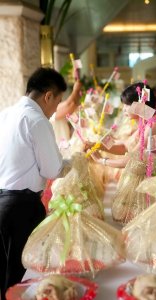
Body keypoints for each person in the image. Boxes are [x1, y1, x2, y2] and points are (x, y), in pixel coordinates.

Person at [0, 67, 71, 300]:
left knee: (5, 273)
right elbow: (52, 169)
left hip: (2, 201)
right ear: (48, 96)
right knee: (22, 275)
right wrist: (71, 163)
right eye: (58, 102)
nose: (55, 110)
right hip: (22, 206)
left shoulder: (6, 113)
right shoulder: (37, 120)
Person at [88, 82, 156, 210]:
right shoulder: (148, 119)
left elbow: (132, 159)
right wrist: (97, 145)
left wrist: (101, 160)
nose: (123, 108)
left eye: (126, 105)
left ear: (139, 105)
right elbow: (125, 145)